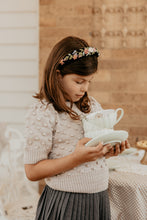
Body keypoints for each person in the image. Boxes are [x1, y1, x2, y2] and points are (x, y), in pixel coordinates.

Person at [24, 36, 130, 220]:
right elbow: (32, 171)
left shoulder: (91, 105)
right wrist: (76, 158)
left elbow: (91, 153)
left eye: (89, 81)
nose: (84, 89)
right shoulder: (44, 111)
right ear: (58, 75)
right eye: (79, 82)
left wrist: (106, 151)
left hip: (98, 199)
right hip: (66, 202)